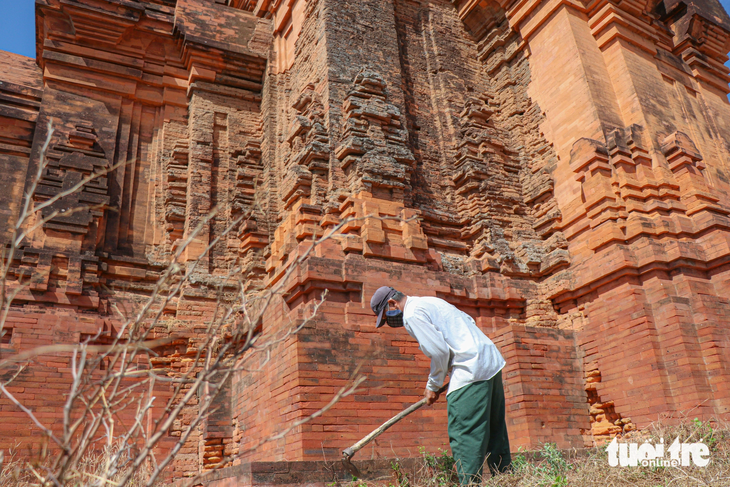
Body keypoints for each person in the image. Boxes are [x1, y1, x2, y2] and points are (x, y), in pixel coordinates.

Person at [370, 286, 511, 484]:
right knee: (496, 433)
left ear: (392, 303)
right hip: (490, 362)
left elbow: (439, 352)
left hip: (470, 370)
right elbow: (467, 322)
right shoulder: (429, 301)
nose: (390, 320)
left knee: (464, 435)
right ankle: (508, 480)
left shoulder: (411, 314)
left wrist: (433, 385)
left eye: (386, 315)